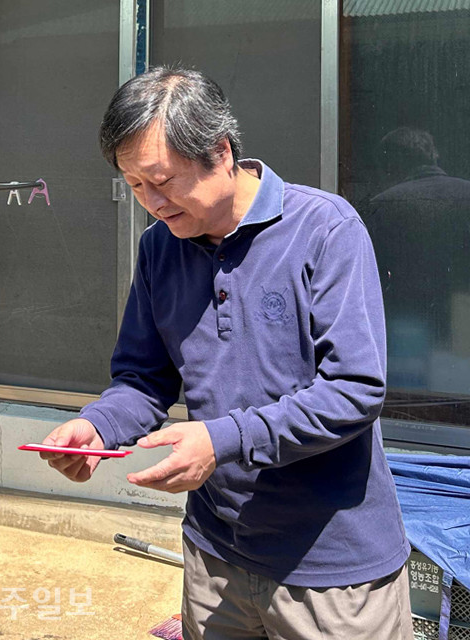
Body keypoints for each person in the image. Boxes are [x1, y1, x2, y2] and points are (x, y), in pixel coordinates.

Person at [40, 67, 413, 639]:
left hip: (331, 566)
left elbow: (354, 390)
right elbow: (143, 378)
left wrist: (222, 440)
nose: (152, 203)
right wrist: (98, 427)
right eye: (134, 185)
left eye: (161, 181)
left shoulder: (324, 229)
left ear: (220, 151)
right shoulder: (160, 249)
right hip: (214, 553)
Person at [364, 127, 470, 391]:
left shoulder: (382, 205)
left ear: (391, 163)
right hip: (463, 321)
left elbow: (370, 280)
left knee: (411, 399)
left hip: (405, 328)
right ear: (433, 155)